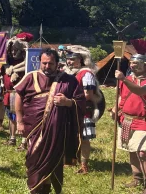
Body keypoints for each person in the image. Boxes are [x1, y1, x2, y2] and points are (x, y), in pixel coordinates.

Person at [15, 49, 84, 194]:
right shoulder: (30, 77)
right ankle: (36, 188)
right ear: (39, 62)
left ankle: (44, 189)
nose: (47, 66)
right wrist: (19, 121)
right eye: (44, 63)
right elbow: (19, 97)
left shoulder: (69, 80)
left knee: (52, 161)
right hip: (33, 127)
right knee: (34, 158)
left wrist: (67, 102)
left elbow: (81, 102)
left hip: (57, 131)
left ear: (57, 63)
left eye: (50, 63)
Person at [64, 46, 102, 175]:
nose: (69, 62)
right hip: (69, 108)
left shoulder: (86, 73)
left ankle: (84, 165)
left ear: (80, 60)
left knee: (84, 138)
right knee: (70, 136)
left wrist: (69, 99)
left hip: (83, 109)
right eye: (68, 59)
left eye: (72, 59)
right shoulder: (67, 73)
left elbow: (88, 94)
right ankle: (71, 159)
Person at [114, 53, 146, 190]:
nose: (132, 65)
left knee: (142, 153)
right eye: (131, 63)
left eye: (136, 63)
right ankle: (137, 178)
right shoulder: (126, 79)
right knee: (132, 150)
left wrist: (123, 79)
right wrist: (116, 110)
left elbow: (139, 91)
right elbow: (122, 96)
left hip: (143, 121)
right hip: (127, 120)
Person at [2, 33, 32, 147]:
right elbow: (3, 66)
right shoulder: (9, 59)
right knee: (10, 116)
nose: (14, 52)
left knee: (22, 116)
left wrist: (15, 70)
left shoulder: (27, 59)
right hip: (8, 93)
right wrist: (8, 68)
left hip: (21, 94)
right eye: (12, 50)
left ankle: (24, 141)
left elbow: (28, 67)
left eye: (16, 50)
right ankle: (12, 137)